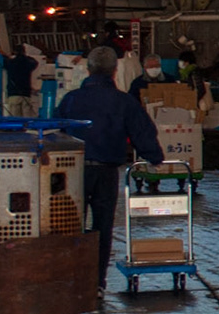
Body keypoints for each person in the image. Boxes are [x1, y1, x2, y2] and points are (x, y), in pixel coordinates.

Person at [56, 46, 164, 293]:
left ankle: (71, 280)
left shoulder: (71, 99)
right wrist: (154, 157)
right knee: (102, 227)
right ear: (115, 71)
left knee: (70, 226)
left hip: (72, 172)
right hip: (106, 172)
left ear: (88, 69)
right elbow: (142, 131)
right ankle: (96, 283)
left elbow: (55, 130)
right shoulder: (123, 101)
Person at [2, 46, 39, 117]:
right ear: (24, 51)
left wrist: (6, 56)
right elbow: (35, 62)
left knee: (14, 118)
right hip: (26, 94)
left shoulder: (11, 63)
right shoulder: (28, 63)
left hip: (13, 94)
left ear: (14, 52)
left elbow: (1, 60)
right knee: (27, 118)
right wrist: (26, 56)